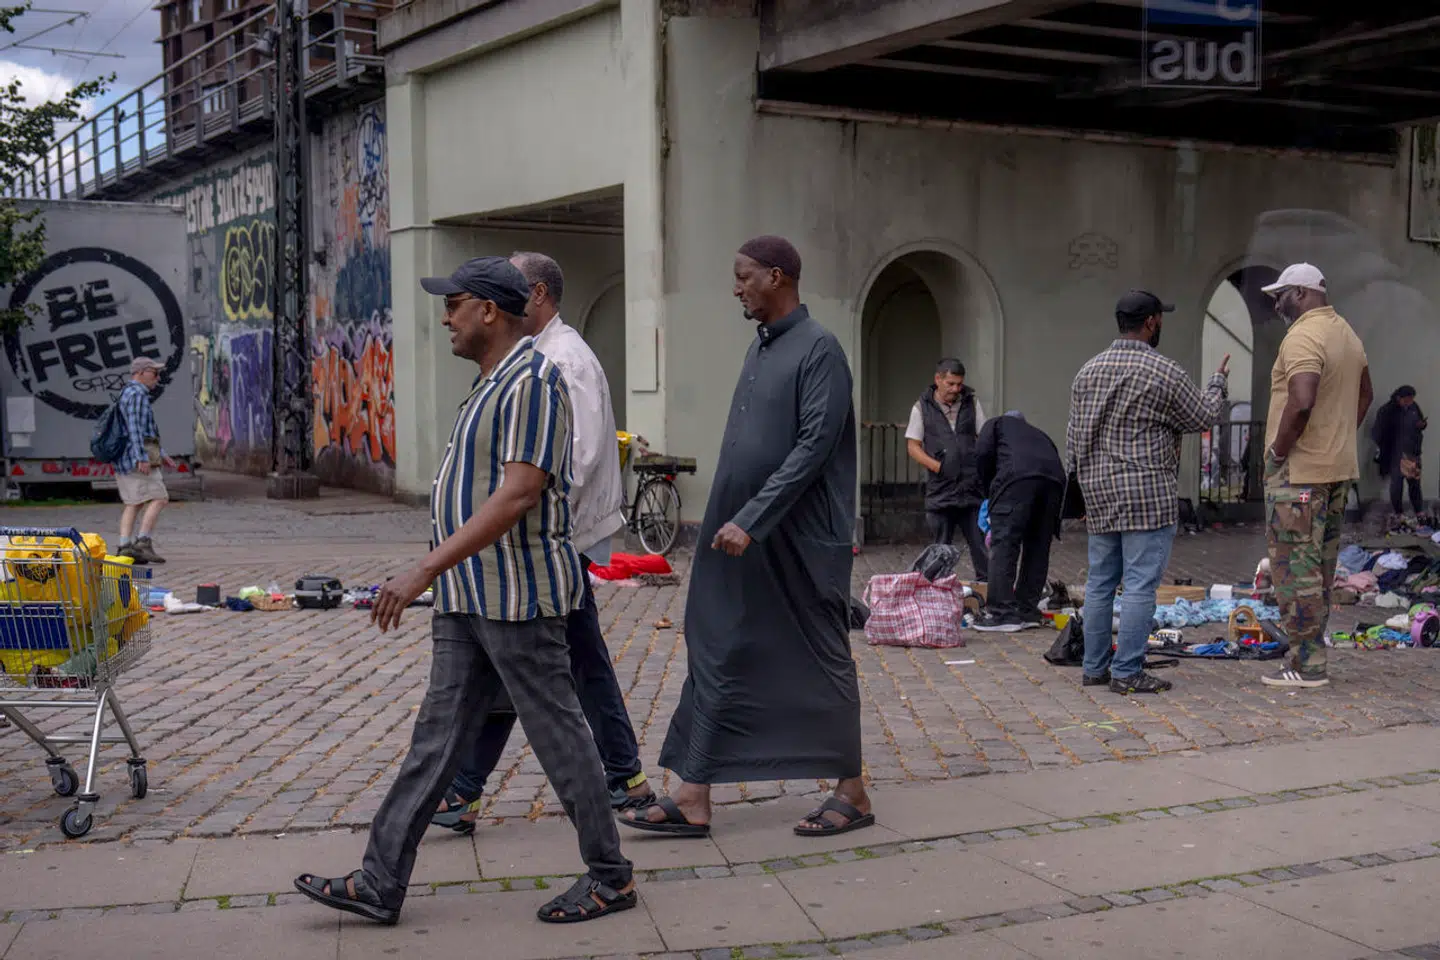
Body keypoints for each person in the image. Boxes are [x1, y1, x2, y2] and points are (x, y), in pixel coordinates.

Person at [294, 257, 635, 926]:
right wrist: (441, 572)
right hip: (470, 597)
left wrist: (425, 567)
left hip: (516, 598)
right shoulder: (492, 383)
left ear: (492, 311)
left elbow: (518, 494)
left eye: (455, 303)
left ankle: (611, 876)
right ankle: (379, 879)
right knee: (436, 739)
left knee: (561, 739)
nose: (444, 316)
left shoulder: (533, 380)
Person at [620, 236, 872, 839]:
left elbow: (813, 448)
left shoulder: (821, 350)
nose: (736, 288)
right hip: (741, 537)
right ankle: (695, 792)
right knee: (719, 643)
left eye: (743, 276)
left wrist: (753, 518)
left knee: (820, 656)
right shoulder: (763, 349)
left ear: (777, 276)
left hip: (798, 540)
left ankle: (854, 791)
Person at [429, 251, 655, 834]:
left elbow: (562, 467)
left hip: (551, 546)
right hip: (534, 548)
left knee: (569, 668)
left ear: (531, 295)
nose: (450, 317)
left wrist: (542, 544)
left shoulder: (560, 363)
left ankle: (621, 785)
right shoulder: (528, 359)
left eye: (459, 305)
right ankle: (466, 788)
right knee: (515, 667)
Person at [1066, 290, 1229, 695]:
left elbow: (1075, 437)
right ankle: (1127, 672)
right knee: (1140, 585)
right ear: (1152, 322)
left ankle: (1094, 668)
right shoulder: (1164, 371)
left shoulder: (1088, 371)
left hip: (1100, 489)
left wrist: (1080, 488)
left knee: (1101, 582)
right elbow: (1203, 416)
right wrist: (1217, 383)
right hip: (1146, 491)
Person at [1259, 263, 1372, 689]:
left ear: (1302, 293)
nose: (1276, 302)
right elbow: (1366, 394)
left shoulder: (1304, 335)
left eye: (1281, 294)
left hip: (1300, 474)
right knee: (1320, 570)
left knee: (1294, 572)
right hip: (1336, 470)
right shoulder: (1346, 333)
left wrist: (1278, 451)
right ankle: (1311, 654)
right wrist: (1338, 437)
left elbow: (1301, 401)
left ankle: (1307, 665)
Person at [971, 410, 1065, 632]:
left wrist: (989, 493)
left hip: (1016, 479)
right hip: (1054, 484)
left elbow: (982, 455)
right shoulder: (1039, 434)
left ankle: (1002, 613)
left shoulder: (995, 424)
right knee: (1038, 547)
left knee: (1004, 544)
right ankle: (1027, 610)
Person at [905, 359, 989, 581]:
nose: (955, 389)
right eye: (950, 383)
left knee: (980, 546)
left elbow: (984, 436)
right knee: (940, 548)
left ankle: (988, 590)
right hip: (941, 489)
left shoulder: (972, 403)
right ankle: (936, 591)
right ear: (938, 379)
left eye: (959, 384)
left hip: (971, 488)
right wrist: (938, 467)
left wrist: (979, 464)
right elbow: (913, 446)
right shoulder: (921, 407)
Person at [116, 357, 176, 565]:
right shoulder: (137, 394)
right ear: (140, 373)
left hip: (127, 457)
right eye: (154, 373)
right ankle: (143, 542)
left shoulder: (128, 392)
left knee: (134, 502)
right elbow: (135, 428)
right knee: (160, 497)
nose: (157, 378)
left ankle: (125, 546)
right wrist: (142, 457)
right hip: (138, 458)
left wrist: (163, 454)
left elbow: (146, 431)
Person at [1372, 385, 1426, 517]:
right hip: (1396, 454)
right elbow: (1377, 433)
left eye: (1412, 399)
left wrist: (1422, 425)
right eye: (1407, 400)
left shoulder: (1414, 408)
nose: (1410, 402)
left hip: (1412, 453)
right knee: (1397, 486)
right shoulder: (1387, 411)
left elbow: (1419, 421)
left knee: (1415, 483)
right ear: (1398, 398)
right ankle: (1399, 513)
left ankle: (1419, 511)